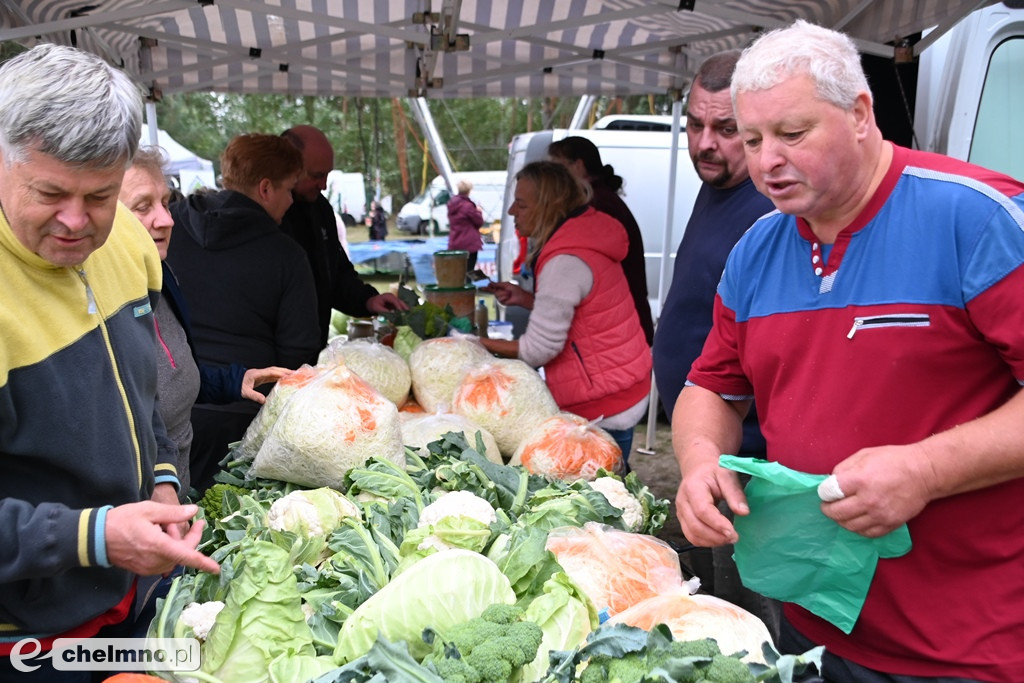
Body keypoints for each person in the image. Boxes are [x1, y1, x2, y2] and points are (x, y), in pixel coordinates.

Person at [674, 19, 1024, 681]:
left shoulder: (976, 217)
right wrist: (696, 463)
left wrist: (926, 469)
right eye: (752, 139)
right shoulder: (755, 251)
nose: (765, 161)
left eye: (792, 134)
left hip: (975, 644)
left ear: (861, 113)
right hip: (817, 626)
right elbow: (712, 388)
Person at [0, 44, 218, 680]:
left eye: (98, 195)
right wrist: (92, 538)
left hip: (129, 602)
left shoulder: (124, 238)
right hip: (24, 641)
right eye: (50, 192)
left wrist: (162, 480)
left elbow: (139, 390)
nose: (76, 222)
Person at [650, 51, 779, 638]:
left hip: (749, 464)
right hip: (709, 451)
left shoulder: (768, 204)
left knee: (748, 621)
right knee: (720, 600)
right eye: (695, 125)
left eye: (725, 129)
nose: (706, 143)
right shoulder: (715, 189)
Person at [119, 146, 292, 500]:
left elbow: (172, 372)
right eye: (143, 206)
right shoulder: (102, 303)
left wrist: (232, 381)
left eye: (165, 202)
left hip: (176, 495)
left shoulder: (161, 277)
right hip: (137, 512)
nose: (166, 219)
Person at [166, 133, 321, 494]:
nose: (290, 202)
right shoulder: (286, 255)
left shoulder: (169, 229)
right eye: (289, 190)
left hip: (170, 416)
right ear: (266, 189)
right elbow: (298, 356)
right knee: (232, 536)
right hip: (245, 425)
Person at [481, 161, 651, 463]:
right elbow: (588, 311)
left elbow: (537, 351)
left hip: (605, 403)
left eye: (521, 205)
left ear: (549, 207)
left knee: (604, 494)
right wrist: (528, 299)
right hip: (625, 383)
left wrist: (475, 343)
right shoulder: (583, 234)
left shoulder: (565, 260)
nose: (511, 213)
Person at [280, 125, 406, 348]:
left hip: (310, 352)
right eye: (316, 175)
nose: (323, 184)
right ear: (287, 168)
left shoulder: (320, 210)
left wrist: (368, 299)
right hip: (270, 362)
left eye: (327, 174)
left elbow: (336, 273)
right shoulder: (266, 218)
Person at [548, 136, 654, 345]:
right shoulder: (600, 200)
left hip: (617, 331)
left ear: (578, 166)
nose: (552, 178)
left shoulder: (596, 208)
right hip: (622, 325)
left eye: (556, 168)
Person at [446, 179, 485, 270]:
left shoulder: (451, 204)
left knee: (458, 270)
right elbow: (479, 222)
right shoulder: (468, 206)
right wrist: (479, 212)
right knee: (469, 270)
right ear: (469, 191)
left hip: (455, 242)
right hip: (469, 243)